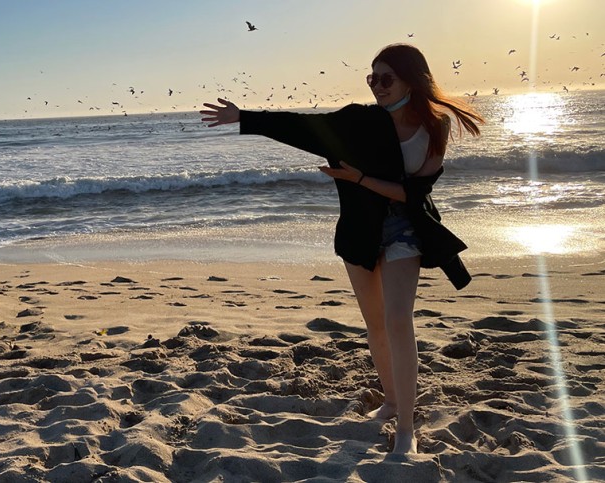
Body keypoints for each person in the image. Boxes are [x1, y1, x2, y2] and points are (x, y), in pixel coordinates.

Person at [200, 43, 484, 454]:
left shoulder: (434, 126)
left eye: (386, 78)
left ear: (411, 79)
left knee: (399, 320)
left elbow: (413, 192)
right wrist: (244, 117)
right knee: (376, 324)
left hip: (406, 226)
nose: (377, 86)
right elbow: (302, 127)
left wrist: (360, 178)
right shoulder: (357, 121)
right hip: (359, 230)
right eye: (372, 78)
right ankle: (390, 400)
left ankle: (406, 428)